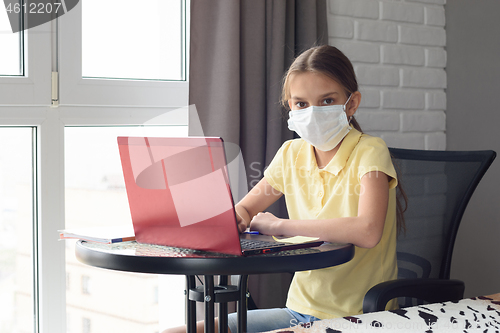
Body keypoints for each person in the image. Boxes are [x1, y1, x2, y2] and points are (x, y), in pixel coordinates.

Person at [165, 44, 405, 333]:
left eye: (327, 101)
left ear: (351, 104)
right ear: (290, 106)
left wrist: (280, 225)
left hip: (358, 316)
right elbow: (247, 207)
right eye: (301, 104)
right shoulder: (292, 154)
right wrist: (238, 216)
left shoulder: (370, 151)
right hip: (299, 311)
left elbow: (367, 231)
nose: (313, 112)